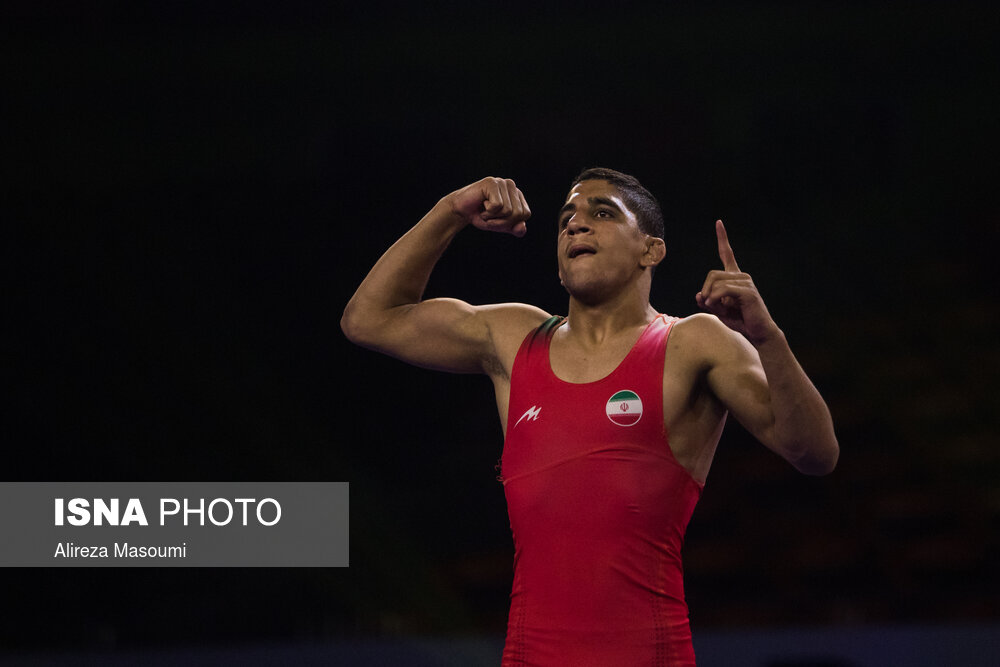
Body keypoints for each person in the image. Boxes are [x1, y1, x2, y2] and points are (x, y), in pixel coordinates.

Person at [341, 168, 838, 666]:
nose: (576, 225)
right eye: (566, 220)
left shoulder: (692, 342)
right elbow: (368, 319)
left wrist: (768, 338)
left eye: (602, 213)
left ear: (651, 250)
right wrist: (451, 210)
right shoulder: (514, 338)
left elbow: (815, 454)